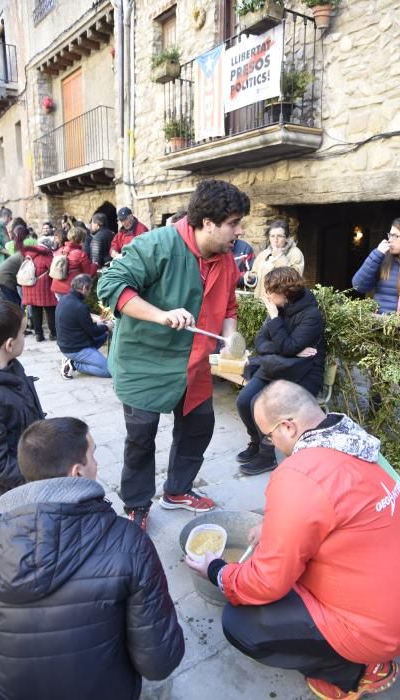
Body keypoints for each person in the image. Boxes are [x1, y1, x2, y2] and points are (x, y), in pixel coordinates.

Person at [187, 380, 400, 700]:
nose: (273, 445)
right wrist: (274, 525)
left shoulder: (301, 474)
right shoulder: (352, 440)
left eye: (269, 436)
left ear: (288, 427)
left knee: (241, 623)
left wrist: (217, 571)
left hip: (379, 632)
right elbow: (334, 508)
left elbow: (266, 582)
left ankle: (354, 671)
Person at [0, 417, 184, 700]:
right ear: (77, 472)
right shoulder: (128, 541)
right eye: (93, 454)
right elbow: (159, 661)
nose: (97, 463)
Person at [98, 179, 249, 529]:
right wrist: (161, 315)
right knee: (141, 436)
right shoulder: (155, 244)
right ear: (208, 223)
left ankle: (178, 490)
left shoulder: (225, 259)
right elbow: (110, 287)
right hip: (144, 362)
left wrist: (230, 338)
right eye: (234, 223)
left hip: (194, 364)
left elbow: (228, 305)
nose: (239, 232)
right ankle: (136, 504)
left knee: (199, 426)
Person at [236, 266, 325, 475]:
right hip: (279, 366)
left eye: (271, 292)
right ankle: (256, 442)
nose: (267, 296)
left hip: (303, 372)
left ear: (286, 293)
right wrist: (290, 350)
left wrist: (277, 323)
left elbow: (287, 346)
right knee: (244, 400)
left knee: (261, 403)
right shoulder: (279, 308)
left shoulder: (311, 315)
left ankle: (267, 456)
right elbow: (260, 342)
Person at [0, 297, 44, 515]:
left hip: (27, 467)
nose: (23, 339)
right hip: (7, 498)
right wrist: (35, 478)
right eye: (23, 333)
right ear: (9, 345)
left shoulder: (10, 367)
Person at [56, 273, 112, 379]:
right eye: (90, 289)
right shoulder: (80, 306)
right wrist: (107, 326)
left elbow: (80, 323)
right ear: (84, 288)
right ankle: (74, 364)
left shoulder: (64, 299)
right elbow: (93, 331)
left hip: (66, 344)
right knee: (108, 371)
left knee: (103, 335)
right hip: (76, 349)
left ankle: (77, 359)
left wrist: (99, 324)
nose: (90, 292)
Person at [244, 220, 304, 304]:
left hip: (284, 304)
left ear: (286, 238)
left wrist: (279, 257)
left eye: (279, 236)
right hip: (261, 302)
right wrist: (251, 278)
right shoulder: (263, 254)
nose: (275, 240)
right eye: (272, 236)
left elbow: (295, 279)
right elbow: (256, 274)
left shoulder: (295, 253)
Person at [20, 236, 57, 342]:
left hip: (30, 287)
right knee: (50, 311)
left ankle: (39, 335)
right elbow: (54, 272)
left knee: (36, 311)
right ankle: (53, 334)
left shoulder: (29, 254)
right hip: (44, 288)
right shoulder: (47, 256)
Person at [50, 224, 98, 300]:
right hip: (70, 289)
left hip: (56, 287)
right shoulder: (80, 254)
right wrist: (95, 265)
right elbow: (88, 273)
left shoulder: (60, 250)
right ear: (81, 239)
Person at [0, 225, 33, 305]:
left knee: (9, 302)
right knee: (15, 303)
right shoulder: (25, 252)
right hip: (4, 277)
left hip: (1, 275)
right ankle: (13, 317)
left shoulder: (22, 249)